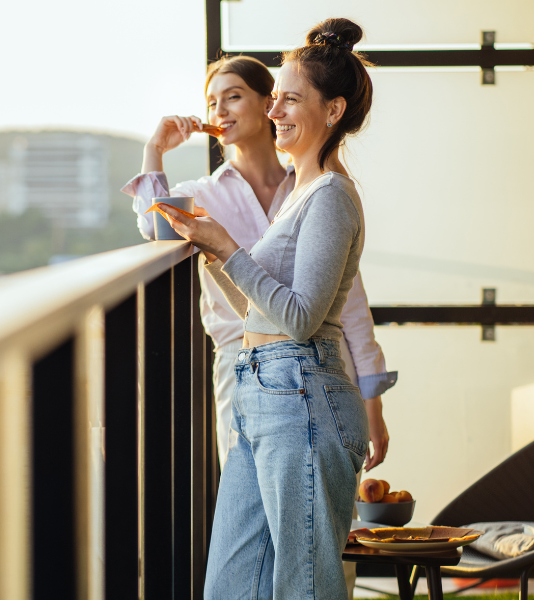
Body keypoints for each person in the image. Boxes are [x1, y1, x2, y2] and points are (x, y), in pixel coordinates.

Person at [155, 18, 378, 598]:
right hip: (263, 395)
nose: (275, 110)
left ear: (332, 111)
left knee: (303, 587)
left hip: (304, 398)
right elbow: (263, 315)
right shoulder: (297, 194)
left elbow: (302, 318)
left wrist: (230, 249)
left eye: (290, 99)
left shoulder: (330, 195)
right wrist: (212, 253)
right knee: (230, 586)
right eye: (274, 98)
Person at [122, 59, 395, 478]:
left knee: (312, 514)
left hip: (321, 361)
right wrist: (153, 150)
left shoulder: (312, 187)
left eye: (233, 97)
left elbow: (351, 298)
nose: (221, 112)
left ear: (269, 102)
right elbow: (152, 225)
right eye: (212, 103)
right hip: (242, 360)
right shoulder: (202, 194)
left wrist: (371, 396)